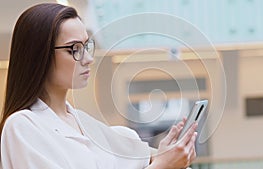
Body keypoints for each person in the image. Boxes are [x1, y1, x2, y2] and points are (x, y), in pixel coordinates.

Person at [0, 3, 197, 169]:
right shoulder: (22, 126)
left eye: (86, 46)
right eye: (74, 49)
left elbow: (134, 157)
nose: (88, 59)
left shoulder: (82, 122)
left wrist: (163, 155)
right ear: (39, 55)